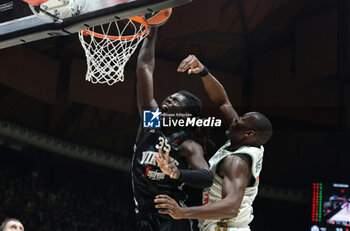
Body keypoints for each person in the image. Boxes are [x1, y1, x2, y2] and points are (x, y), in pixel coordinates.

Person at [154, 55, 273, 231]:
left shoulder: (236, 162)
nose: (234, 119)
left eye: (241, 119)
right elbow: (223, 102)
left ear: (248, 133)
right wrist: (203, 71)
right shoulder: (243, 139)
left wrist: (182, 212)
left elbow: (231, 207)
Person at [133, 28, 213, 231]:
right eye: (170, 96)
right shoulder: (151, 122)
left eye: (176, 100)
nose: (168, 99)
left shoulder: (188, 144)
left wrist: (178, 173)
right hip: (144, 217)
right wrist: (152, 29)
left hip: (172, 220)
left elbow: (207, 177)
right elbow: (144, 68)